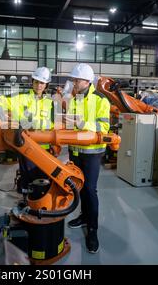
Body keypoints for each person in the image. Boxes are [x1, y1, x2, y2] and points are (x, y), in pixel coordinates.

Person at [65, 63, 110, 254]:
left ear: (87, 81)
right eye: (74, 80)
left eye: (77, 80)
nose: (74, 83)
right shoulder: (75, 99)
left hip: (92, 152)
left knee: (90, 190)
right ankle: (83, 216)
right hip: (75, 151)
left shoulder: (101, 100)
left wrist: (81, 122)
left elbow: (104, 127)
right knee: (78, 186)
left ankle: (93, 230)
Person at [9, 67, 54, 197]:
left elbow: (52, 123)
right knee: (27, 177)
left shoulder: (50, 102)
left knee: (42, 178)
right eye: (36, 82)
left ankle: (40, 203)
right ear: (32, 82)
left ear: (46, 85)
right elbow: (0, 103)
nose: (39, 86)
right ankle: (26, 202)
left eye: (42, 83)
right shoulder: (21, 98)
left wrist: (38, 125)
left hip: (43, 147)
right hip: (26, 146)